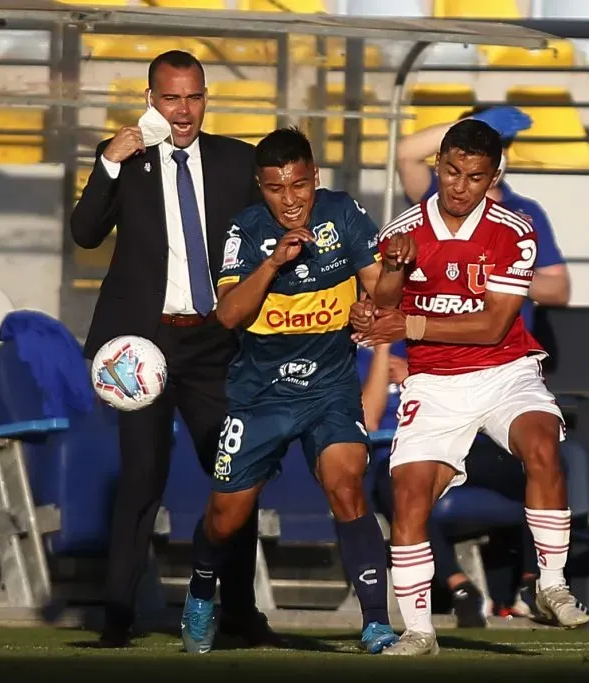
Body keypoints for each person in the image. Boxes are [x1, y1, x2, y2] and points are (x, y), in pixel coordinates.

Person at [353, 119, 589, 656]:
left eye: (474, 177)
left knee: (542, 446)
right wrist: (392, 270)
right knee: (410, 496)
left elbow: (492, 325)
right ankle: (419, 631)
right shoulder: (403, 229)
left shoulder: (515, 230)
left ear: (493, 177)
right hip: (434, 383)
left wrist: (407, 326)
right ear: (438, 166)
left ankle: (551, 582)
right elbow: (385, 305)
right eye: (452, 172)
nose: (460, 186)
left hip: (504, 372)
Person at [71, 50, 278, 649]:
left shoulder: (237, 160)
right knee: (141, 477)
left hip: (216, 342)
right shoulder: (126, 164)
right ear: (150, 99)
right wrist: (109, 161)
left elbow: (278, 225)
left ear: (205, 97)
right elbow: (85, 233)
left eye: (193, 97)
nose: (183, 110)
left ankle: (239, 612)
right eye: (171, 98)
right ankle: (117, 616)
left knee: (233, 477)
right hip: (142, 344)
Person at [178, 127, 398, 656]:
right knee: (226, 517)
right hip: (260, 395)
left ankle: (375, 622)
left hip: (329, 387)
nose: (290, 199)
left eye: (299, 185)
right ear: (261, 186)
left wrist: (391, 271)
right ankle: (202, 589)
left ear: (314, 178)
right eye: (276, 188)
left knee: (346, 485)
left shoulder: (342, 213)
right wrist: (273, 263)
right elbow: (228, 314)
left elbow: (383, 293)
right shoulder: (248, 231)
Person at [360, 343, 535, 628]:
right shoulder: (355, 353)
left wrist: (416, 376)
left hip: (461, 443)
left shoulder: (431, 335)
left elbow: (475, 403)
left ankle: (534, 582)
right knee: (398, 488)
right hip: (398, 452)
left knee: (537, 465)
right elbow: (368, 420)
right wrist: (381, 351)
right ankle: (462, 589)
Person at [396, 106, 570, 331]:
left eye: (499, 146)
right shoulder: (436, 195)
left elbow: (559, 288)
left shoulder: (526, 212)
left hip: (502, 353)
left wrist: (505, 275)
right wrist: (471, 124)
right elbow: (405, 154)